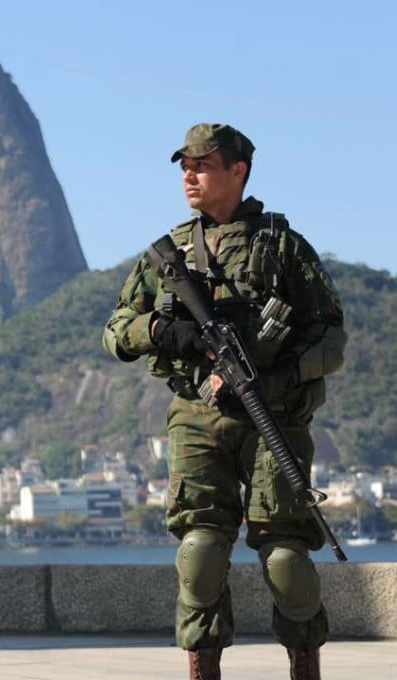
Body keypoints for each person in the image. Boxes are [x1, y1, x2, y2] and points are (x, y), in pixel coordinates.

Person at [102, 123, 346, 680]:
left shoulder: (282, 247)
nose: (189, 174)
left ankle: (304, 664)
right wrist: (164, 334)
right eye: (184, 165)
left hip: (274, 414)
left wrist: (278, 365)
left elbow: (332, 335)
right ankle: (202, 668)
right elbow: (116, 331)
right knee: (202, 554)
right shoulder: (168, 254)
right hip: (197, 414)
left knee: (285, 559)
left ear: (238, 170)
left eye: (203, 164)